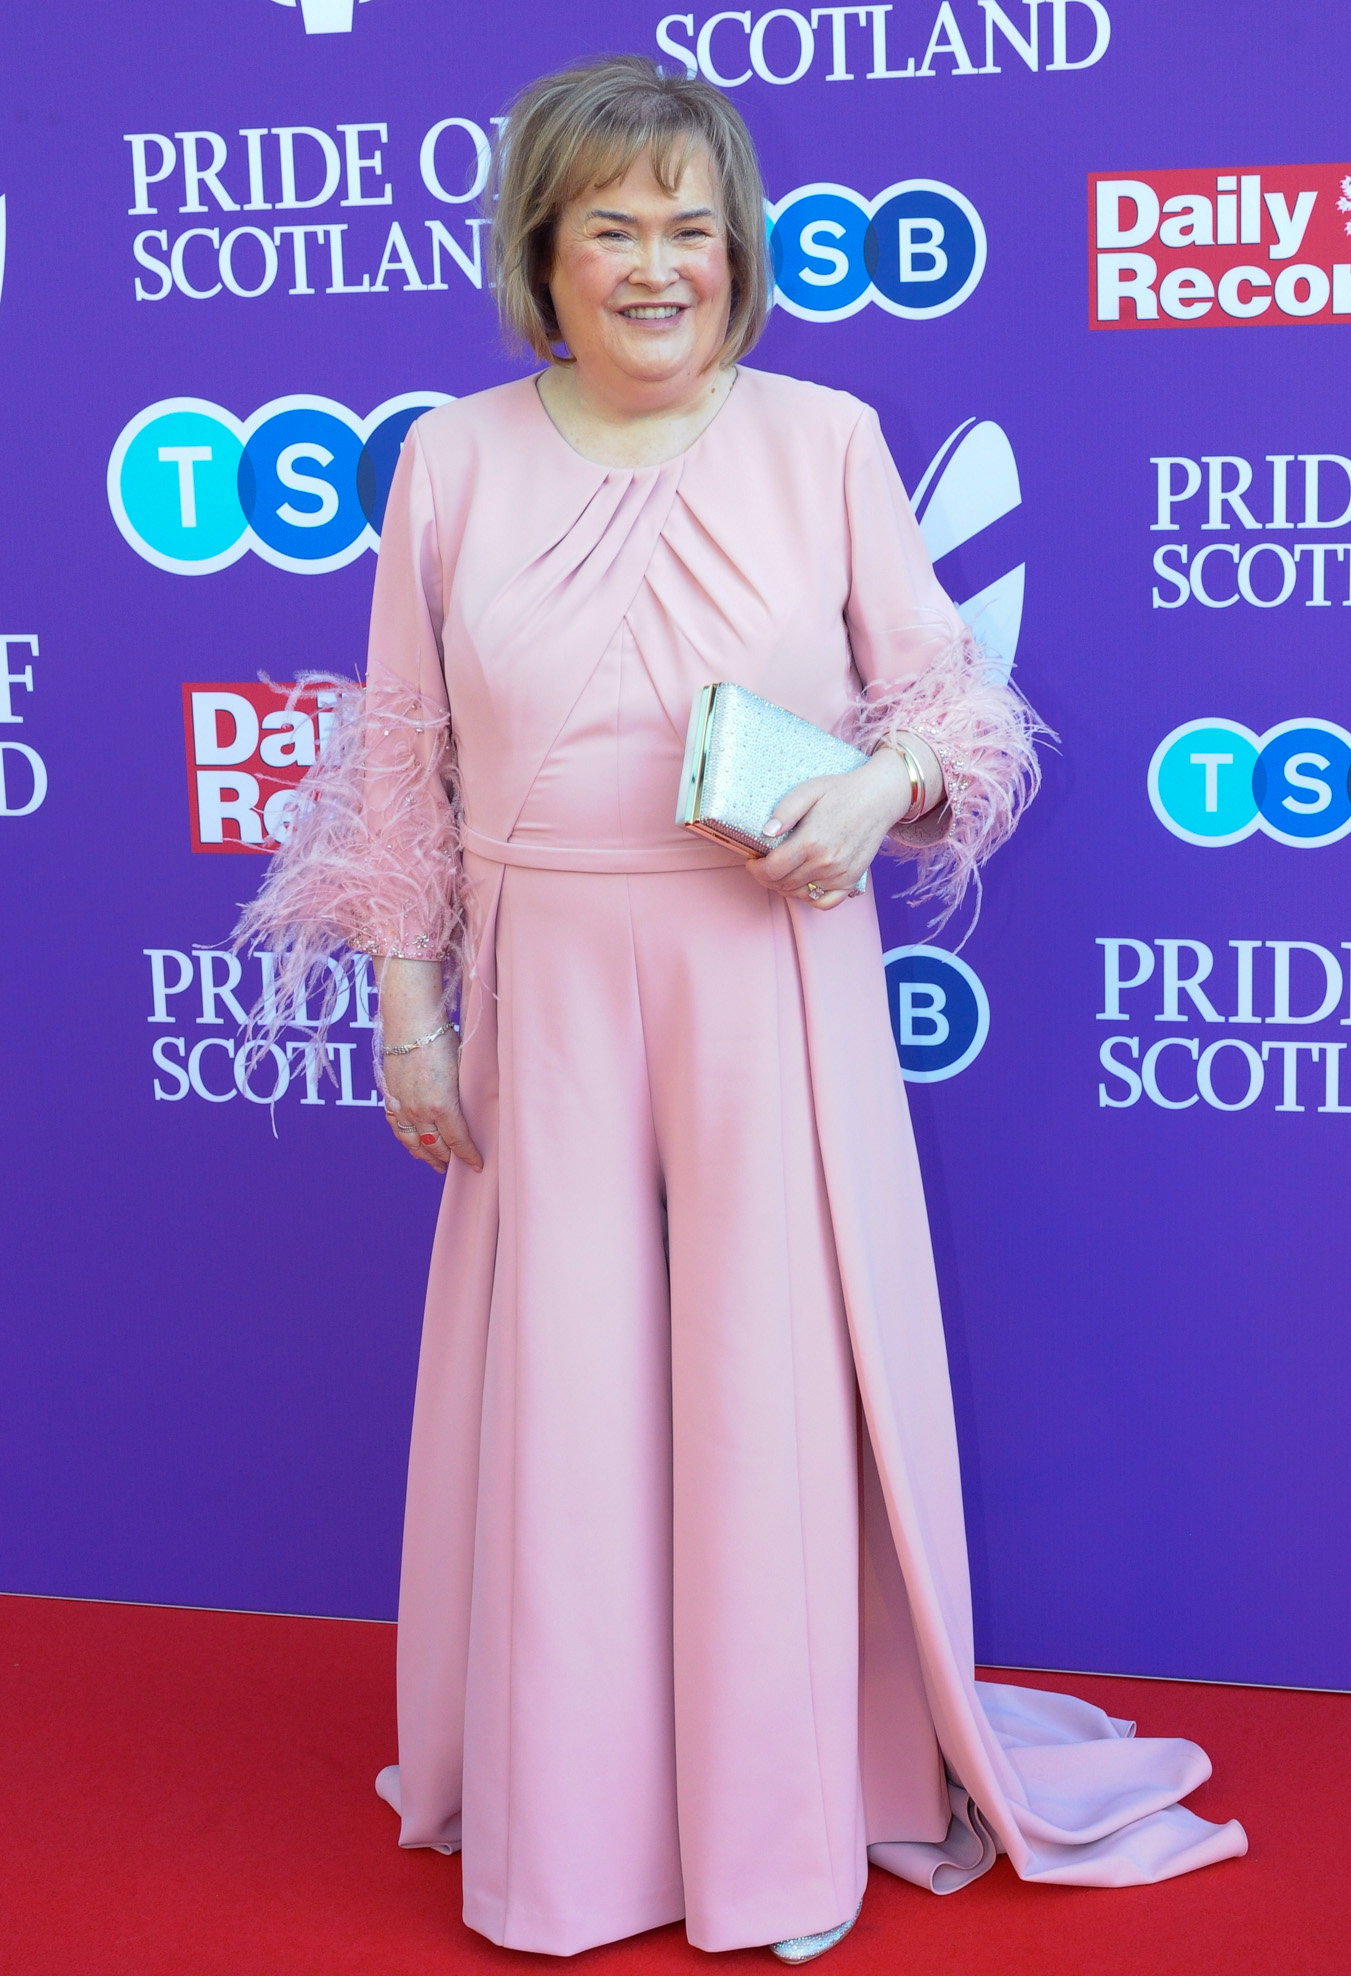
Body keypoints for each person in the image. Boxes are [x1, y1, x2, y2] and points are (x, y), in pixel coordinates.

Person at [238, 55, 1245, 1965]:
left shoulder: (827, 437)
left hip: (773, 983)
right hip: (544, 992)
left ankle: (778, 1830)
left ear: (738, 252)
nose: (654, 266)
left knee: (767, 1402)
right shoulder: (448, 462)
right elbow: (394, 772)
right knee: (573, 1410)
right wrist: (406, 1008)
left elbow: (953, 705)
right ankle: (581, 1833)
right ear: (542, 246)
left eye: (689, 230)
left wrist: (877, 793)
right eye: (611, 226)